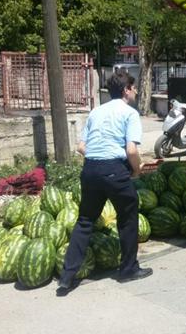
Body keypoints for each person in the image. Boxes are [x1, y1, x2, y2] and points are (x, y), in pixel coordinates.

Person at [57, 71, 151, 296]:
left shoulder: (96, 111)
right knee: (128, 216)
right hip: (114, 171)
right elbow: (131, 150)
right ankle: (128, 269)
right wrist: (137, 171)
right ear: (126, 90)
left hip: (90, 169)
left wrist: (99, 160)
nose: (136, 91)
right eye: (134, 87)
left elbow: (81, 147)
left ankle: (67, 276)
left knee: (85, 221)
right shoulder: (129, 113)